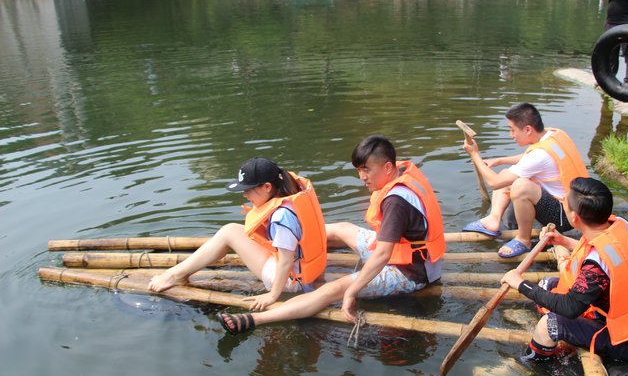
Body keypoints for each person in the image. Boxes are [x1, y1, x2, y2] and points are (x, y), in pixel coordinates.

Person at [216, 135, 446, 334]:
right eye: (359, 170)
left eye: (367, 170)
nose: (362, 177)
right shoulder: (401, 172)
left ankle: (254, 319)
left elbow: (382, 255)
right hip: (405, 252)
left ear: (387, 167)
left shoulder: (396, 201)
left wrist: (352, 291)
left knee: (334, 289)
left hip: (412, 272)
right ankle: (290, 241)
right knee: (341, 228)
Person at [502, 177, 628, 361]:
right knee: (548, 284)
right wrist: (563, 241)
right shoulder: (619, 223)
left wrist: (520, 283)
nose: (562, 200)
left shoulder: (597, 264)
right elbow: (603, 253)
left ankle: (530, 363)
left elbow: (570, 308)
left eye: (565, 200)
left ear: (574, 218)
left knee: (550, 324)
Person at [148, 157, 327, 310]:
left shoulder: (282, 216)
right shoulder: (290, 196)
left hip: (290, 281)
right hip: (307, 271)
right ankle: (179, 273)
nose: (245, 194)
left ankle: (174, 275)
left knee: (229, 232)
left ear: (267, 187)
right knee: (231, 231)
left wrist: (272, 295)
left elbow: (286, 261)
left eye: (248, 189)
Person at [461, 103, 588, 258]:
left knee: (519, 185)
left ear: (528, 129)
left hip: (565, 217)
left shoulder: (540, 155)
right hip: (577, 204)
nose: (511, 135)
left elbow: (494, 182)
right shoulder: (555, 134)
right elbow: (530, 158)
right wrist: (500, 160)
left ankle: (523, 239)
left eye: (512, 129)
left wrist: (475, 154)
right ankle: (493, 220)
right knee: (507, 173)